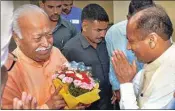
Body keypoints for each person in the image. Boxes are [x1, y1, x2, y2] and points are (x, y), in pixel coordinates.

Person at [1, 4, 85, 110]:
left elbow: (72, 84)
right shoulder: (8, 71)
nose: (46, 43)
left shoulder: (56, 53)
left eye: (49, 34)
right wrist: (48, 107)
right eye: (37, 38)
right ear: (17, 37)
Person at [112, 5, 175, 109]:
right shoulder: (153, 61)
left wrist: (125, 83)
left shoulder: (170, 72)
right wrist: (129, 80)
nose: (128, 47)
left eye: (131, 41)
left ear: (152, 40)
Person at [62, 4, 113, 110]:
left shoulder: (106, 43)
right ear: (85, 26)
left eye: (105, 29)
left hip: (109, 104)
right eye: (99, 30)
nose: (103, 34)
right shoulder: (70, 49)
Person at [105, 0, 154, 104]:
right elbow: (112, 64)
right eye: (140, 22)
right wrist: (118, 89)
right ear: (128, 18)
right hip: (125, 89)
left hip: (152, 91)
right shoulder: (114, 33)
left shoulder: (159, 33)